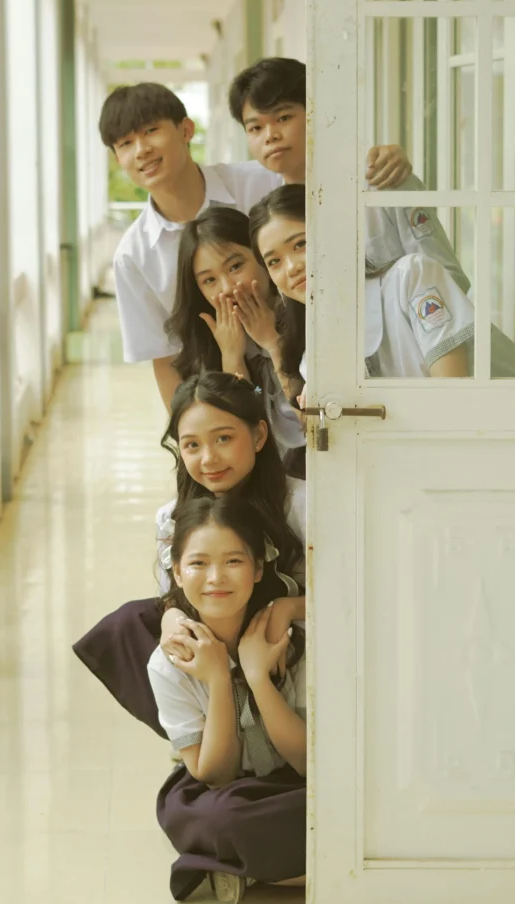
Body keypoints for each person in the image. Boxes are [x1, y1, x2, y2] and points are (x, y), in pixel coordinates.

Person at [101, 82, 411, 407]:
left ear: (186, 129)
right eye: (125, 143)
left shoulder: (265, 180)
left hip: (321, 359)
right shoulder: (132, 257)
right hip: (229, 392)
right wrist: (188, 441)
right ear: (117, 157)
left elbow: (333, 187)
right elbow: (164, 359)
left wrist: (382, 161)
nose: (141, 150)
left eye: (151, 130)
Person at [72, 372, 306, 733]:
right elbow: (175, 591)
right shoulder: (171, 517)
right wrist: (171, 619)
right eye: (192, 445)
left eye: (224, 439)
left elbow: (347, 595)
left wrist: (288, 607)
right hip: (217, 631)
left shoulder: (304, 505)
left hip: (284, 636)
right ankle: (195, 733)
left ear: (259, 435)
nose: (209, 458)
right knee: (128, 624)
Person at [149, 496, 307, 902]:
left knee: (339, 805)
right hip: (226, 791)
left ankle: (248, 871)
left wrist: (257, 677)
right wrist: (219, 678)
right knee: (221, 820)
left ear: (257, 569)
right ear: (178, 575)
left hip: (296, 782)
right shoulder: (169, 662)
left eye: (233, 562)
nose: (216, 577)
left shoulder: (287, 635)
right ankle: (295, 866)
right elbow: (215, 774)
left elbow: (310, 762)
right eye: (198, 564)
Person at [229, 57, 469, 294]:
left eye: (283, 118)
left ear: (316, 114)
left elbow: (448, 278)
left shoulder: (381, 178)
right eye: (255, 128)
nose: (270, 136)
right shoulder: (270, 211)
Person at [250, 184, 477, 380]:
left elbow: (453, 395)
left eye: (300, 245)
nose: (291, 267)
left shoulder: (412, 277)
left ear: (335, 235)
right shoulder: (312, 359)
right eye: (274, 262)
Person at [165, 205, 305, 466]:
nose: (228, 288)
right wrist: (232, 358)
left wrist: (273, 344)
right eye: (209, 281)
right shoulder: (207, 345)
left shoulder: (307, 311)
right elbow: (235, 442)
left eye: (236, 266)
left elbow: (313, 421)